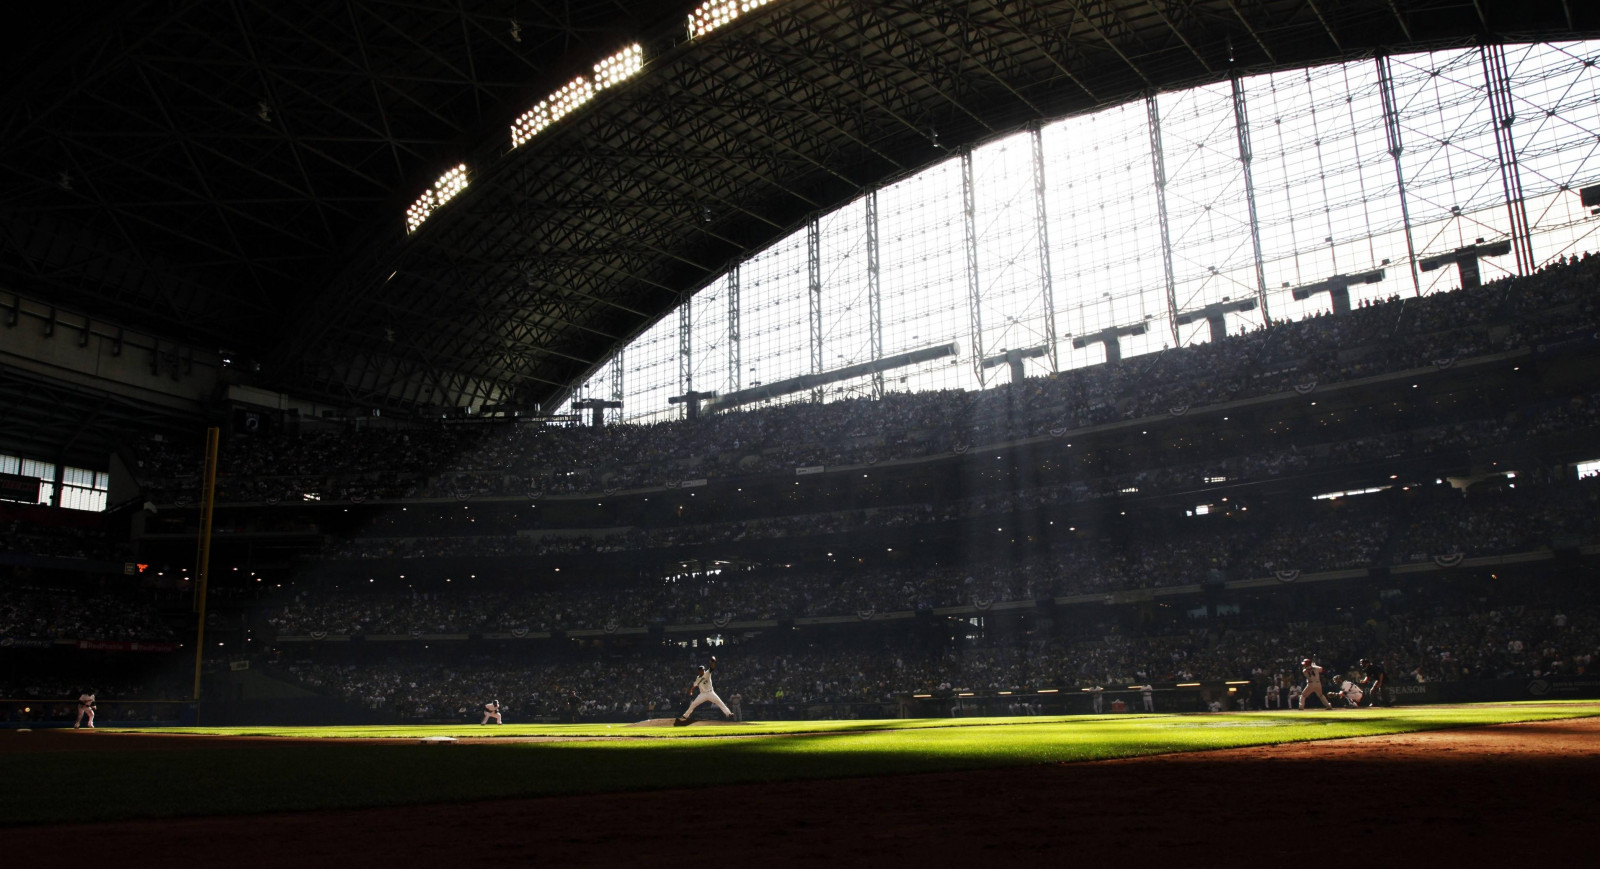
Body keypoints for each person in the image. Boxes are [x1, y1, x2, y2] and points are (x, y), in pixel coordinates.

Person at [678, 656, 733, 722]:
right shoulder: (698, 678)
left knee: (720, 703)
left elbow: (712, 668)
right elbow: (695, 685)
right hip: (702, 694)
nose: (703, 671)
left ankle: (729, 714)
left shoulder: (707, 673)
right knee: (693, 704)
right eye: (701, 670)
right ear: (699, 671)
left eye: (703, 669)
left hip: (710, 693)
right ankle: (685, 715)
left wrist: (713, 661)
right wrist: (691, 690)